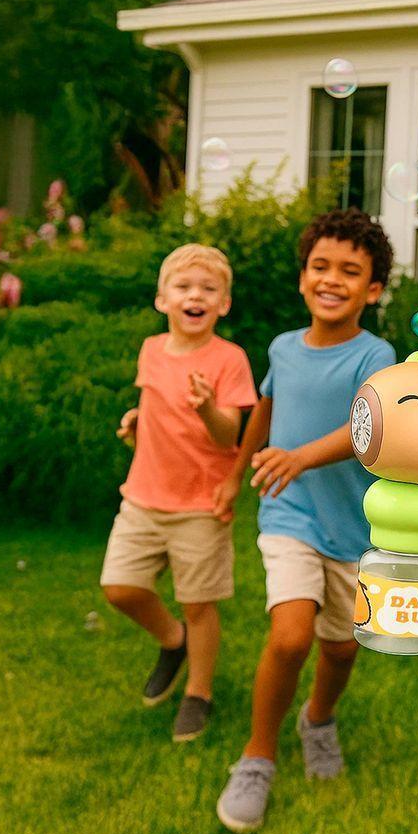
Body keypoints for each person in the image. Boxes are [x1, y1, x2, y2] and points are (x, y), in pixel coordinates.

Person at [214, 208, 396, 833]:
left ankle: (317, 719)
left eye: (351, 271)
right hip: (288, 513)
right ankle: (257, 757)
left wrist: (300, 456)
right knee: (291, 636)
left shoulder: (377, 354)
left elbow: (370, 426)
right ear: (302, 278)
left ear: (372, 291)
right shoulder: (283, 349)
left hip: (353, 527)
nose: (332, 279)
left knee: (341, 647)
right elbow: (264, 411)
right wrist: (238, 476)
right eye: (321, 266)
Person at [100, 244, 257, 742]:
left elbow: (227, 435)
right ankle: (173, 641)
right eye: (185, 287)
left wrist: (208, 407)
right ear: (161, 299)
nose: (196, 296)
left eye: (208, 289)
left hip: (200, 504)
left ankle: (199, 692)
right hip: (144, 495)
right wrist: (137, 422)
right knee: (120, 588)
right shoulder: (151, 349)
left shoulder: (229, 360)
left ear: (224, 304)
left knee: (199, 602)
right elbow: (154, 404)